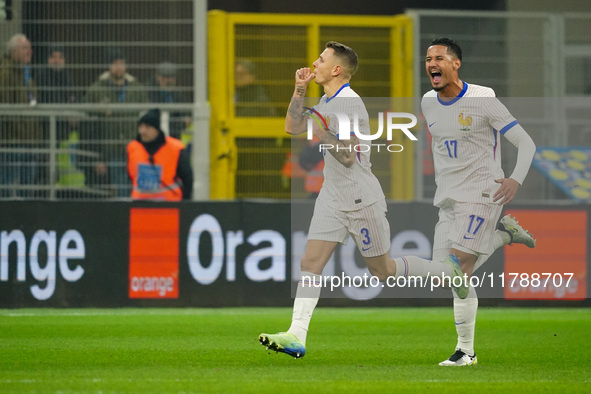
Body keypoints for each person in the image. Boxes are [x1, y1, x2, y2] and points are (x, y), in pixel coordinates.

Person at [259, 41, 465, 359]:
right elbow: (292, 127)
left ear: (336, 69)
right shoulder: (326, 100)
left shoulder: (349, 104)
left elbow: (347, 157)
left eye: (321, 59)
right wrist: (300, 89)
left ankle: (446, 270)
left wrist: (323, 128)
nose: (314, 63)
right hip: (331, 196)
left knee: (381, 270)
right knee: (310, 263)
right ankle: (296, 335)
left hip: (359, 199)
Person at [422, 37, 537, 366]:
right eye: (428, 58)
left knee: (459, 269)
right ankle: (505, 235)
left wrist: (515, 179)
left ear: (455, 64)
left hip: (483, 193)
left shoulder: (484, 99)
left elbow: (525, 143)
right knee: (443, 277)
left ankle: (465, 351)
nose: (432, 63)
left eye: (440, 58)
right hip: (447, 197)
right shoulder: (428, 102)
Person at [82, 48, 147, 197]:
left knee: (134, 189)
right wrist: (97, 157)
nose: (119, 67)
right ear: (108, 66)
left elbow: (145, 117)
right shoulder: (96, 90)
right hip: (110, 151)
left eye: (121, 63)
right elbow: (89, 127)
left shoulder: (136, 88)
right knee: (119, 190)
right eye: (115, 64)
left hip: (134, 150)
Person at [0, 33, 43, 198]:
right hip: (13, 140)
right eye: (25, 48)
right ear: (13, 51)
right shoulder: (5, 73)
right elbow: (6, 104)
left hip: (29, 140)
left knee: (27, 185)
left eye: (29, 48)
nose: (29, 51)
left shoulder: (26, 74)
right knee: (7, 183)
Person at [127, 108, 192, 200]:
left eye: (147, 127)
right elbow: (131, 176)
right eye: (141, 126)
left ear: (156, 129)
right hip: (140, 206)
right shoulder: (132, 147)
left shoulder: (175, 148)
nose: (142, 131)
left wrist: (184, 205)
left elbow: (187, 179)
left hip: (168, 206)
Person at [145, 61, 188, 139]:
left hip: (174, 138)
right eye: (167, 77)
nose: (170, 81)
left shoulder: (176, 93)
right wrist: (180, 123)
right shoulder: (150, 92)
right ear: (158, 77)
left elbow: (185, 114)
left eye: (173, 77)